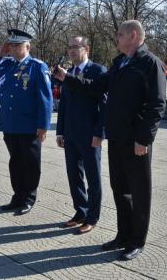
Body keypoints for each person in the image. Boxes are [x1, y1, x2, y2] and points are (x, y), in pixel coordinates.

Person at [55, 20, 166, 261]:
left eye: (120, 34)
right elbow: (95, 88)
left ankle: (137, 241)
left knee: (139, 192)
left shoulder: (149, 63)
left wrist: (144, 138)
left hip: (136, 141)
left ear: (134, 35)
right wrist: (67, 79)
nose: (116, 38)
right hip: (116, 138)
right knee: (120, 190)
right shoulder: (119, 63)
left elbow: (157, 105)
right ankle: (123, 235)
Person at [0, 29, 53, 215]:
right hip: (10, 123)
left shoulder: (37, 66)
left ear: (27, 47)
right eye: (11, 45)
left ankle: (28, 198)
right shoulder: (6, 64)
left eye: (16, 45)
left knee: (30, 163)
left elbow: (45, 98)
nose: (12, 48)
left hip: (29, 125)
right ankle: (17, 196)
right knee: (15, 162)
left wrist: (43, 125)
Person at [56, 36, 107, 234]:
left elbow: (104, 105)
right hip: (70, 133)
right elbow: (65, 105)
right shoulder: (68, 73)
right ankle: (80, 211)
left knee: (93, 176)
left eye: (75, 47)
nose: (71, 51)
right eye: (69, 47)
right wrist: (60, 131)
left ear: (86, 49)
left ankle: (92, 217)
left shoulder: (98, 71)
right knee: (74, 175)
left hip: (90, 135)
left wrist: (100, 133)